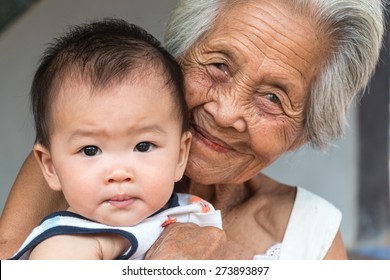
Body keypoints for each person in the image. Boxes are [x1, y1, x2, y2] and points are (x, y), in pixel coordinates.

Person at [0, 0, 385, 260]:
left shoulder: (311, 233)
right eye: (218, 66)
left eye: (272, 97)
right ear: (178, 58)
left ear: (304, 131)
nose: (225, 113)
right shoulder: (85, 166)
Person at [7, 19, 222, 260]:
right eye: (90, 150)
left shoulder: (171, 211)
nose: (119, 173)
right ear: (50, 167)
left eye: (143, 146)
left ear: (181, 155)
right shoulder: (69, 245)